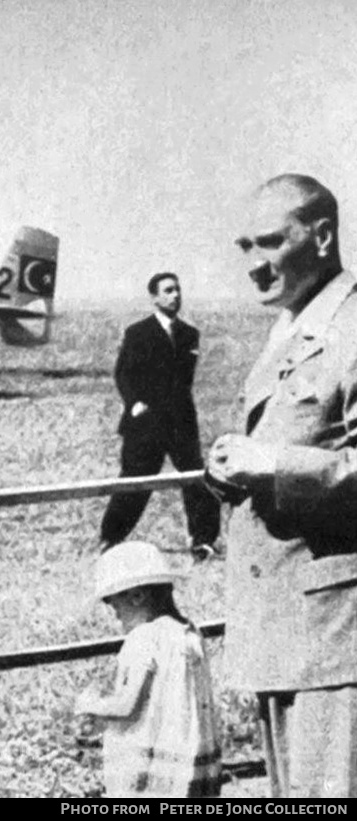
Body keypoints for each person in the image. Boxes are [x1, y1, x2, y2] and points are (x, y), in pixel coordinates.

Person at [206, 173, 357, 798]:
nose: (254, 264)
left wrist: (270, 463)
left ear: (321, 236)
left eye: (269, 242)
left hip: (336, 634)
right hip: (283, 627)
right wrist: (228, 471)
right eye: (244, 246)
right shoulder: (293, 328)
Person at [74, 540, 222, 797]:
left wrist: (90, 704)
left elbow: (127, 705)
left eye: (113, 603)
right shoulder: (189, 634)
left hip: (152, 771)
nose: (115, 614)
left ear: (137, 596)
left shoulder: (145, 638)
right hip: (188, 763)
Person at [98, 273, 221, 560]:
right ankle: (110, 539)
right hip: (145, 424)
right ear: (154, 297)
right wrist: (134, 403)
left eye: (178, 289)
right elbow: (123, 373)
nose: (175, 295)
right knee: (134, 484)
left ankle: (203, 542)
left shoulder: (190, 334)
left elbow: (184, 381)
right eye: (168, 291)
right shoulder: (138, 332)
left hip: (181, 424)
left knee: (197, 481)